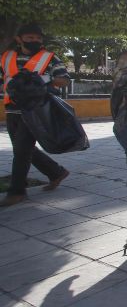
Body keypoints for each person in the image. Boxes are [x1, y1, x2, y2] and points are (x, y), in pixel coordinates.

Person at [0, 24, 71, 206]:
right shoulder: (7, 57)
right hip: (12, 109)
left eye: (37, 38)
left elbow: (63, 80)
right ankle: (56, 172)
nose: (34, 41)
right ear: (19, 39)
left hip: (34, 111)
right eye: (30, 38)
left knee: (22, 150)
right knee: (22, 147)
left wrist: (42, 81)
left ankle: (17, 191)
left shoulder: (49, 58)